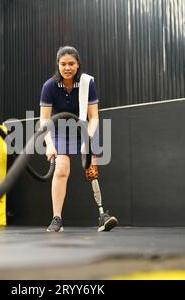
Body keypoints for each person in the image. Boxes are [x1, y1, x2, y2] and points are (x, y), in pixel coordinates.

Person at [39, 46, 118, 232]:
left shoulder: (87, 83)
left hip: (83, 129)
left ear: (78, 64)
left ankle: (102, 215)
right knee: (61, 169)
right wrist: (49, 144)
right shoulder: (49, 86)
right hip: (58, 131)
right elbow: (44, 119)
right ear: (57, 65)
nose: (67, 68)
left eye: (71, 64)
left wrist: (88, 141)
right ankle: (56, 219)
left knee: (91, 169)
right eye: (63, 64)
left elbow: (94, 117)